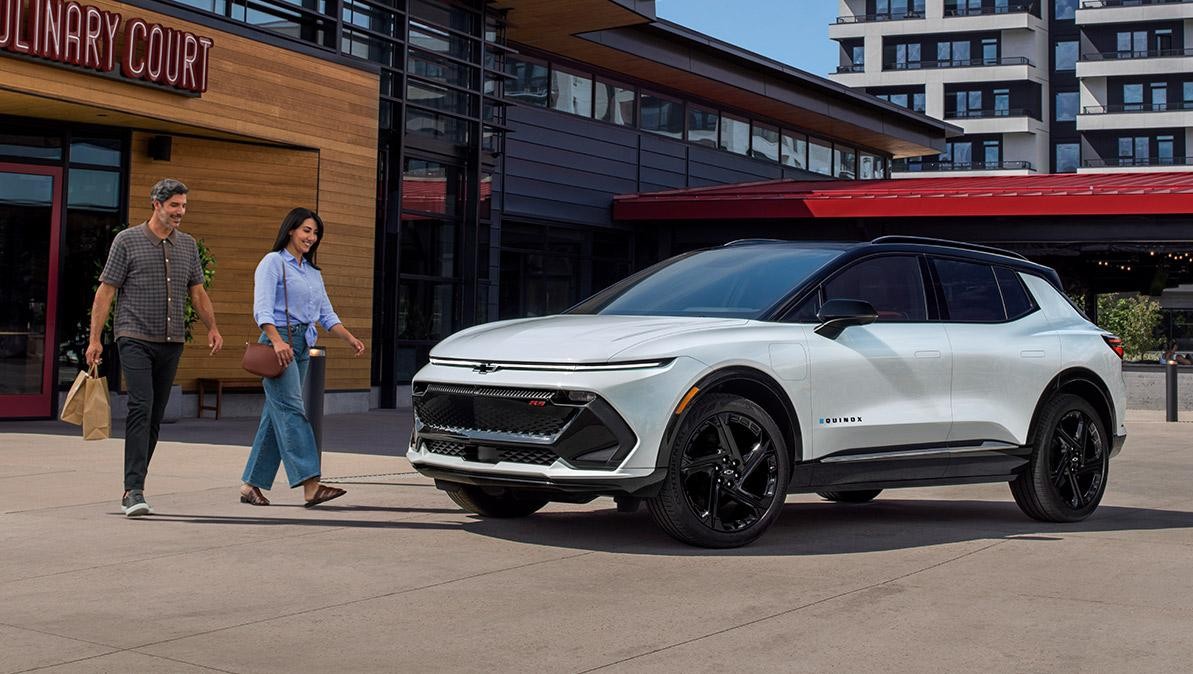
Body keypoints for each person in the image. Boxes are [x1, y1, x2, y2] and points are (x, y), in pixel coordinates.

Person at [86, 178, 223, 518]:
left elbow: (198, 292)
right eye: (175, 205)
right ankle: (134, 490)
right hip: (133, 337)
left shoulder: (187, 245)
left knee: (155, 416)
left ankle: (135, 485)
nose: (180, 212)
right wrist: (94, 339)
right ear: (156, 205)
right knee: (140, 407)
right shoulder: (127, 241)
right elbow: (105, 292)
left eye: (184, 206)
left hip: (171, 340)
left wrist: (213, 327)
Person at [239, 207, 365, 507]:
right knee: (293, 411)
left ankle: (251, 485)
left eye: (315, 232)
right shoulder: (273, 263)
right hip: (278, 345)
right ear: (291, 230)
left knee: (276, 416)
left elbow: (325, 313)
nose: (311, 237)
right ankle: (311, 484)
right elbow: (262, 308)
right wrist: (277, 340)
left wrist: (350, 338)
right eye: (306, 230)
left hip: (302, 346)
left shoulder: (311, 272)